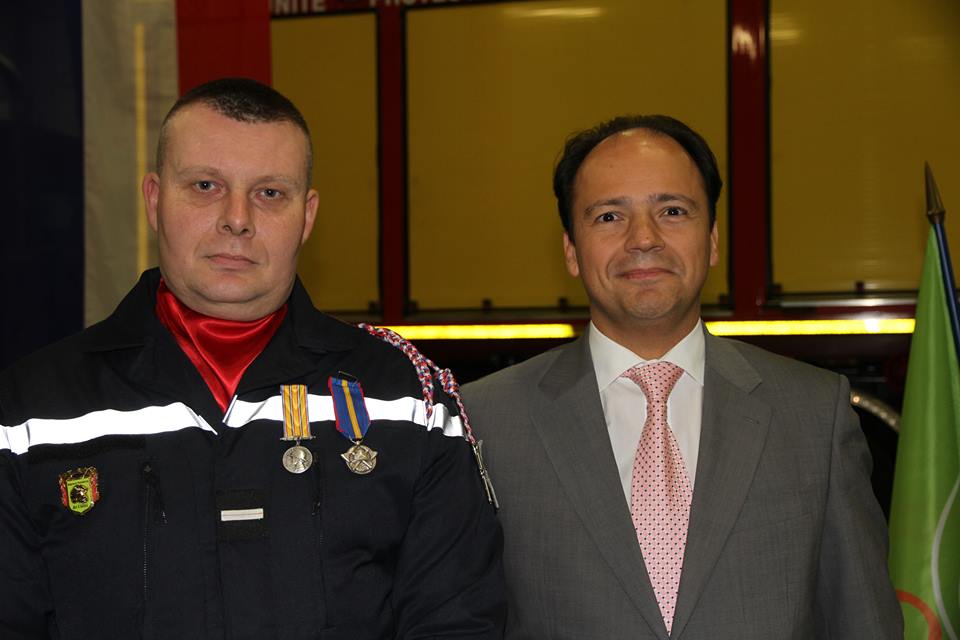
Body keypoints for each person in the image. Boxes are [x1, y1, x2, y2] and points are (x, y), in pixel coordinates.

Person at [0, 78, 505, 639]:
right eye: (205, 185)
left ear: (307, 215)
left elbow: (458, 621)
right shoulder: (30, 411)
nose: (236, 219)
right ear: (154, 199)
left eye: (269, 193)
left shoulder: (408, 401)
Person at [463, 115, 902, 639]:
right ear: (571, 251)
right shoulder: (485, 421)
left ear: (712, 240)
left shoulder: (814, 414)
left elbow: (863, 622)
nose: (642, 239)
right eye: (608, 217)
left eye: (672, 211)